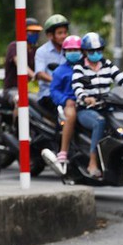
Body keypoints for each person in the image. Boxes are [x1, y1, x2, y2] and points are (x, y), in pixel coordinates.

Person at [71, 32, 123, 178]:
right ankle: (92, 162)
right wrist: (85, 97)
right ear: (84, 52)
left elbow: (122, 79)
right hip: (87, 109)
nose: (96, 54)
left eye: (99, 50)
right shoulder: (79, 67)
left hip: (107, 106)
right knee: (99, 122)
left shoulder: (107, 64)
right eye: (91, 51)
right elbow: (77, 86)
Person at [51, 35, 82, 166]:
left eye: (76, 50)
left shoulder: (87, 69)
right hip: (70, 104)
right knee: (70, 115)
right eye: (70, 50)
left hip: (87, 102)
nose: (73, 53)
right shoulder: (60, 71)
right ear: (64, 52)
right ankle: (63, 152)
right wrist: (65, 100)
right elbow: (54, 91)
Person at [3, 17, 42, 108]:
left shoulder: (35, 50)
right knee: (19, 100)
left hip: (26, 90)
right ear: (23, 32)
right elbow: (21, 64)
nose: (34, 35)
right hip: (12, 89)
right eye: (31, 32)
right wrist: (35, 76)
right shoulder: (14, 46)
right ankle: (16, 122)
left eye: (36, 33)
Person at [34, 13, 69, 115]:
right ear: (50, 35)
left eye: (65, 32)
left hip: (68, 93)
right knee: (64, 113)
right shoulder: (42, 51)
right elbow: (40, 74)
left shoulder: (71, 51)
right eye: (60, 33)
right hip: (48, 94)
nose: (63, 36)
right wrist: (58, 81)